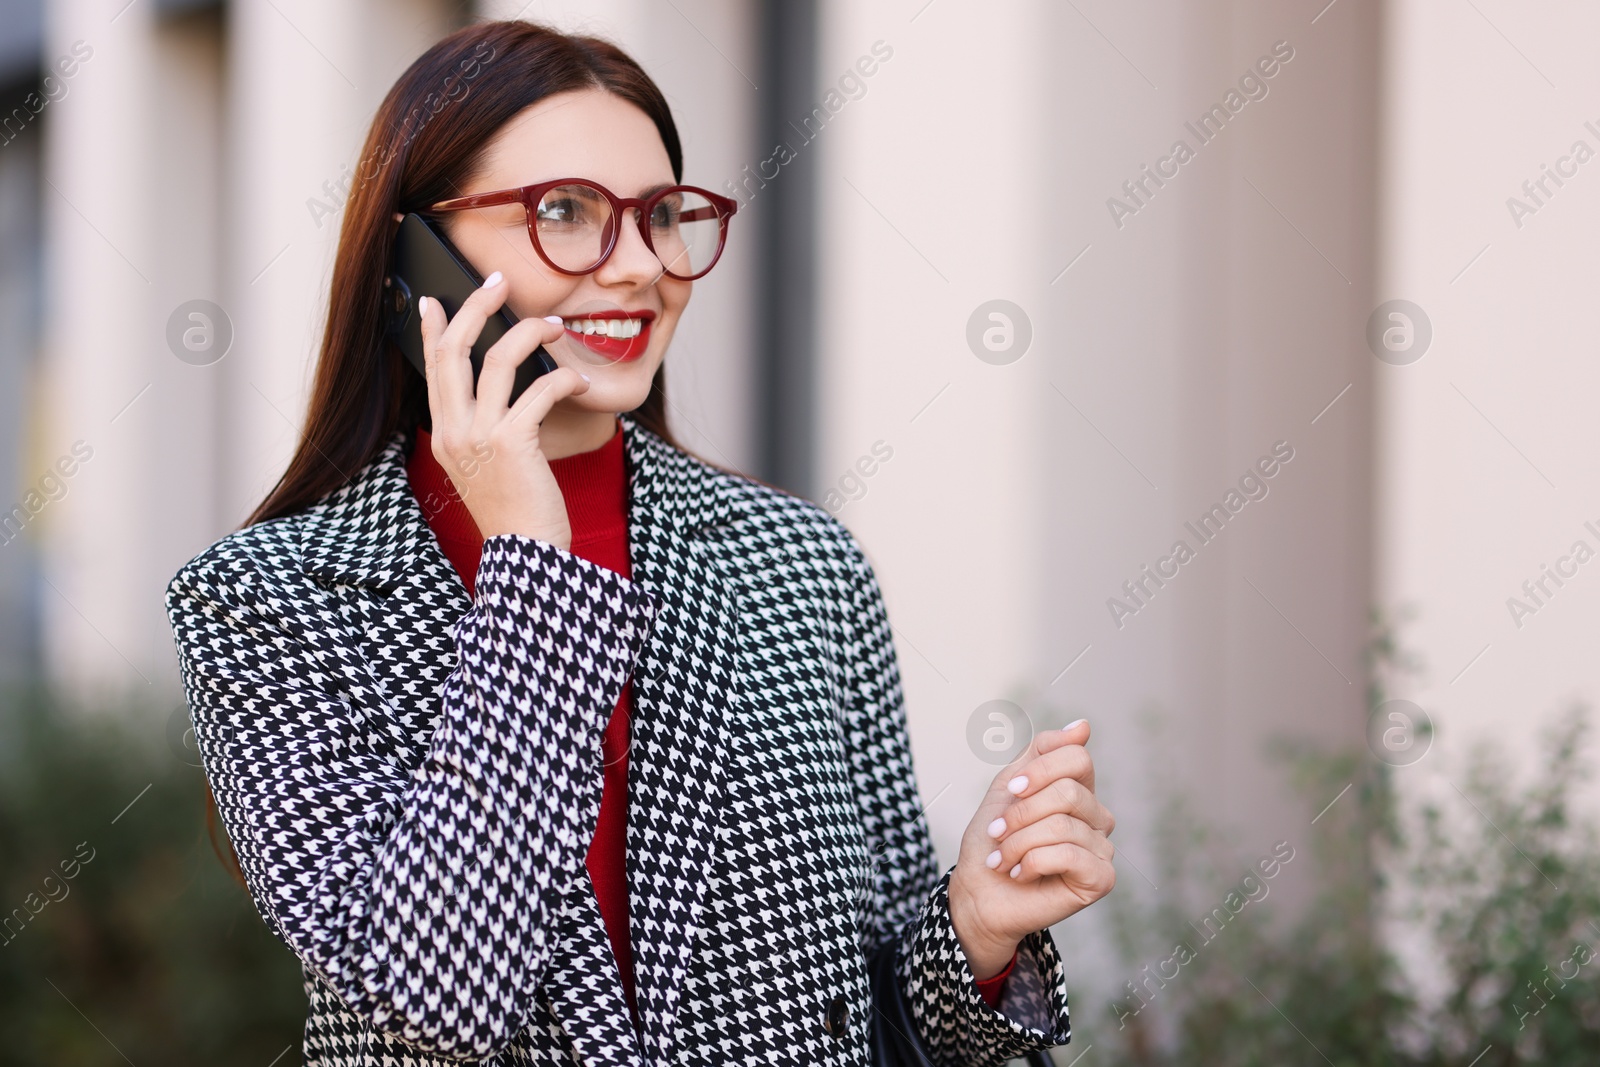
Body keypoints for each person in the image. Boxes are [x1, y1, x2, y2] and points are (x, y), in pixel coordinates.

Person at [163, 20, 1115, 1066]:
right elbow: (429, 1001)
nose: (636, 269)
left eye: (661, 216)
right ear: (417, 254)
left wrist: (975, 925)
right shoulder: (267, 599)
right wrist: (532, 558)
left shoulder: (801, 564)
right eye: (564, 212)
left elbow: (873, 1013)